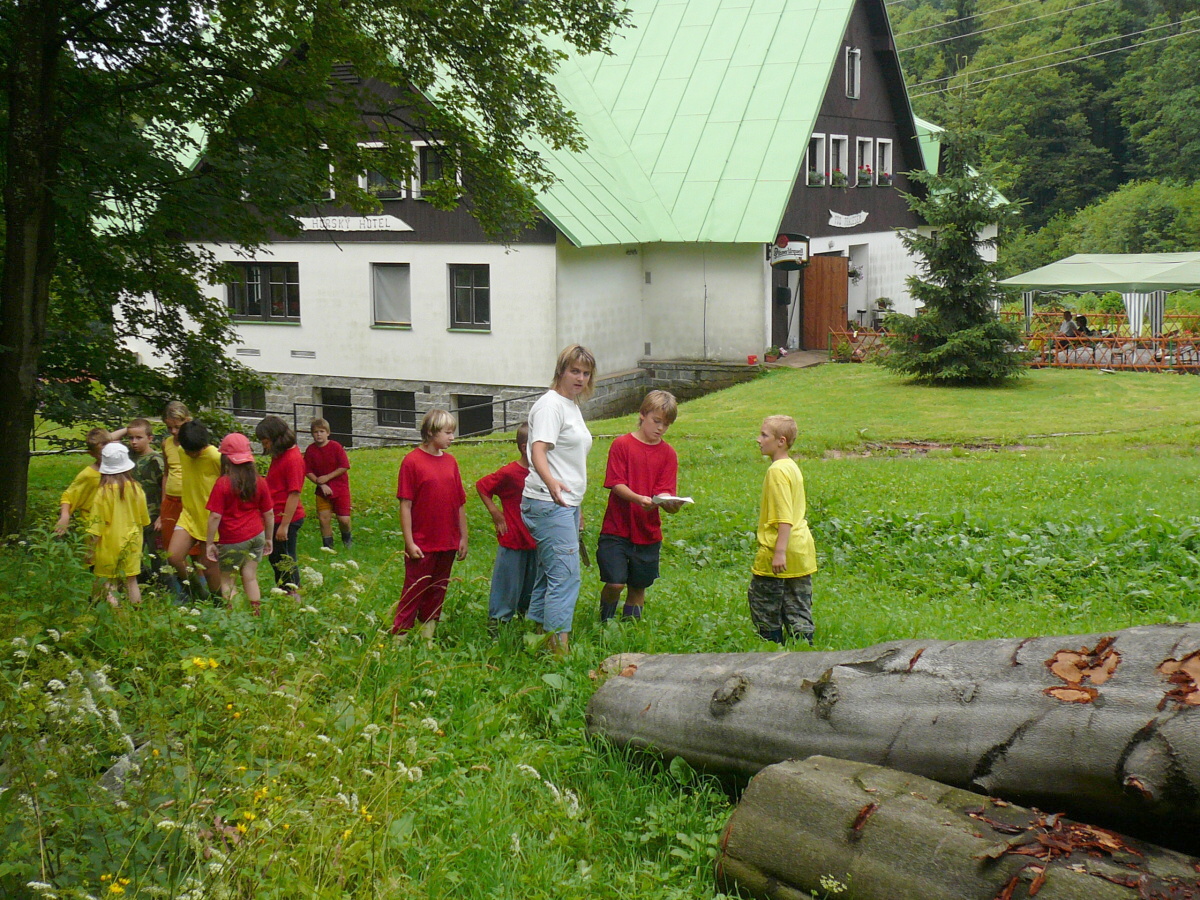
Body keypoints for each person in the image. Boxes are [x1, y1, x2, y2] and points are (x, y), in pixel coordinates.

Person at [521, 344, 596, 656]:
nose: (580, 378)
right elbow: (538, 449)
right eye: (574, 371)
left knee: (550, 574)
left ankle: (537, 637)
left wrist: (577, 506)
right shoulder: (550, 406)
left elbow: (569, 460)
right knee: (565, 577)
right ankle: (558, 652)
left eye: (585, 373)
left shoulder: (570, 404)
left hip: (565, 504)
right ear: (561, 371)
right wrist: (551, 482)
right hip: (548, 501)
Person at [597, 390, 685, 623]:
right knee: (615, 582)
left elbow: (664, 491)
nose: (660, 428)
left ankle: (630, 627)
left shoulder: (668, 453)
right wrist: (638, 498)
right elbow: (616, 483)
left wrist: (670, 504)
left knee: (638, 586)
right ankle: (604, 621)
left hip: (647, 531)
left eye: (666, 424)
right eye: (656, 421)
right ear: (642, 415)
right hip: (616, 528)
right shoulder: (622, 444)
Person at [393, 409, 468, 641]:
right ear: (431, 432)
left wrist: (463, 537)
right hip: (423, 541)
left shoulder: (451, 462)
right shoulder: (412, 461)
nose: (452, 437)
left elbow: (459, 502)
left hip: (448, 540)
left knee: (438, 589)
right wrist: (409, 542)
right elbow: (405, 505)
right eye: (447, 432)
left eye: (453, 432)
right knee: (414, 589)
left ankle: (428, 637)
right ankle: (399, 637)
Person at [748, 415, 817, 646]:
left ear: (781, 441)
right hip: (800, 551)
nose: (758, 439)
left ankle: (772, 650)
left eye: (764, 435)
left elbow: (784, 517)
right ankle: (804, 651)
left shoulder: (777, 471)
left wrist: (779, 552)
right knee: (798, 607)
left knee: (764, 606)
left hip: (778, 551)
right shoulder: (791, 466)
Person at [475, 421, 537, 630]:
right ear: (524, 447)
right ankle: (498, 623)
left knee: (531, 583)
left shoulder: (544, 472)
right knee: (507, 583)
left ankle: (525, 619)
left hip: (536, 540)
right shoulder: (510, 472)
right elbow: (482, 486)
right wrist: (495, 513)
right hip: (514, 538)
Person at [205, 433, 274, 613]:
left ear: (226, 458)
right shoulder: (259, 481)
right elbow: (268, 513)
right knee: (250, 576)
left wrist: (210, 543)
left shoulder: (223, 483)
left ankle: (233, 616)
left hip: (232, 538)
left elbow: (215, 516)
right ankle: (256, 612)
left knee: (228, 579)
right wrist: (269, 539)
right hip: (257, 535)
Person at [86, 442, 150, 607]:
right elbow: (144, 519)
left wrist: (90, 550)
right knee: (131, 581)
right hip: (133, 542)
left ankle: (116, 613)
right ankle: (136, 612)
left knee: (108, 582)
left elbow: (96, 526)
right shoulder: (137, 489)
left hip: (108, 544)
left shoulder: (103, 493)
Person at [168, 420, 223, 601]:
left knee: (209, 567)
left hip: (211, 518)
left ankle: (219, 601)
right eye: (188, 451)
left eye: (195, 451)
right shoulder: (181, 452)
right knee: (174, 557)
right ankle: (196, 592)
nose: (192, 454)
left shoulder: (216, 457)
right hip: (189, 515)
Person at [255, 416, 307, 594]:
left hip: (286, 518)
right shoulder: (281, 455)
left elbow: (294, 493)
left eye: (266, 442)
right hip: (275, 515)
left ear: (276, 438)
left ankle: (293, 595)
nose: (265, 446)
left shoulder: (292, 459)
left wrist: (284, 525)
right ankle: (285, 593)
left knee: (285, 560)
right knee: (276, 558)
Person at [125, 418, 167, 584]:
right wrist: (127, 429)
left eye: (139, 437)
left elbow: (166, 489)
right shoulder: (127, 458)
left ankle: (162, 587)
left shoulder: (156, 460)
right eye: (130, 438)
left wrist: (162, 515)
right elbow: (106, 441)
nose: (134, 442)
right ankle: (142, 583)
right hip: (132, 516)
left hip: (153, 516)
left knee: (158, 556)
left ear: (150, 438)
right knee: (133, 555)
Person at [304, 417, 352, 550]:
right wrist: (320, 484)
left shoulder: (335, 447)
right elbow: (307, 470)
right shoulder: (310, 450)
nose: (319, 434)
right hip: (322, 491)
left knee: (344, 520)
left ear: (328, 433)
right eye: (316, 432)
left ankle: (347, 540)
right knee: (323, 519)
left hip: (340, 488)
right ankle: (328, 547)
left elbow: (344, 466)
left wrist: (327, 477)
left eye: (322, 431)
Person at [54, 428, 109, 535]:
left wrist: (127, 429)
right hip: (93, 525)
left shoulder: (121, 471)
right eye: (102, 454)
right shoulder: (89, 475)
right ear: (92, 454)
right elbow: (68, 496)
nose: (107, 456)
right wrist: (65, 516)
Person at [158, 401, 192, 553]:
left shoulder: (193, 443)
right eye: (169, 427)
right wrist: (163, 501)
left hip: (189, 500)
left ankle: (196, 569)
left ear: (187, 421)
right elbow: (166, 473)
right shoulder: (166, 444)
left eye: (177, 427)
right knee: (170, 546)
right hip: (171, 500)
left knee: (194, 548)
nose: (173, 431)